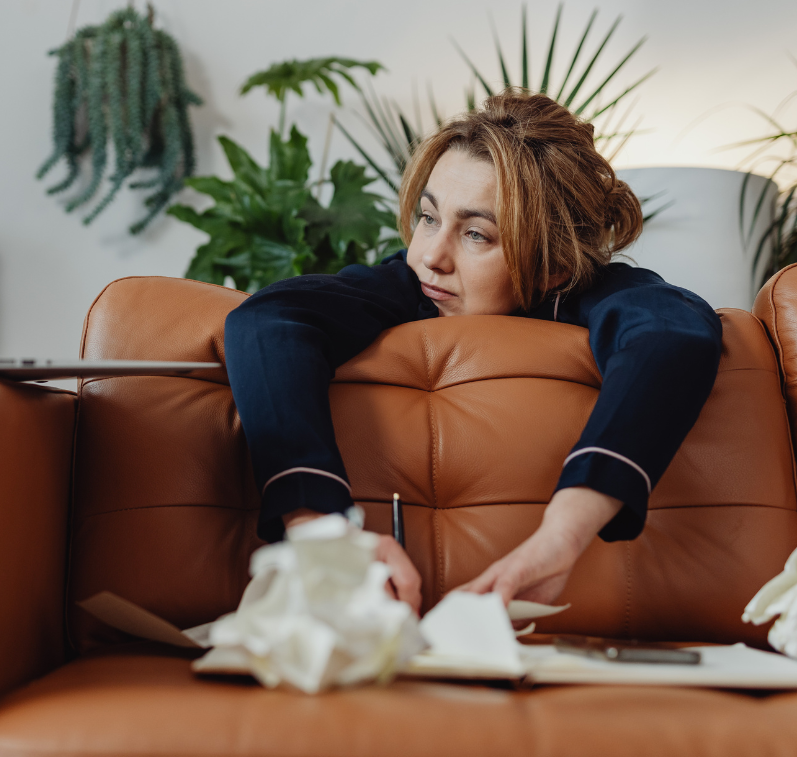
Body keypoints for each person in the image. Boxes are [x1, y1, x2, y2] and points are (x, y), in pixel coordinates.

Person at [222, 89, 722, 615]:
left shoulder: (591, 292)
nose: (430, 256)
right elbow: (266, 321)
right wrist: (321, 536)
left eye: (477, 234)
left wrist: (561, 536)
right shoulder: (407, 283)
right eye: (429, 217)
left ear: (553, 265)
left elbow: (673, 333)